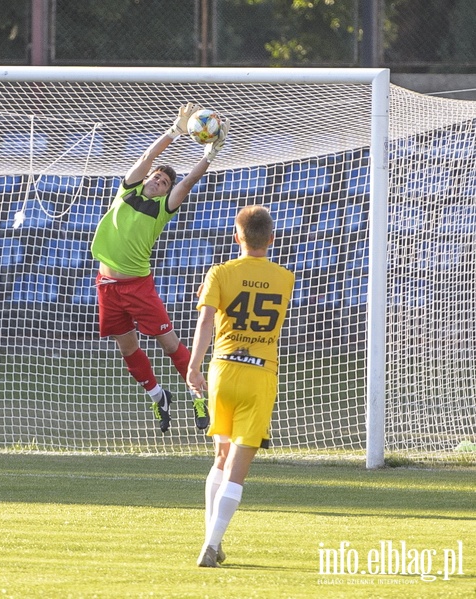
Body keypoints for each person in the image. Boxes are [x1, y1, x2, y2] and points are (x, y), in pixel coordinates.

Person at [90, 102, 228, 433]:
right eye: (157, 178)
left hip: (138, 286)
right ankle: (157, 395)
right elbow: (145, 159)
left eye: (164, 182)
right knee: (127, 348)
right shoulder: (127, 189)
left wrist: (210, 155)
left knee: (171, 346)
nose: (158, 182)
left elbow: (188, 183)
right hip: (107, 286)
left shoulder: (162, 207)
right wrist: (174, 131)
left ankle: (199, 397)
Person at [186, 205, 295, 567]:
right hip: (260, 374)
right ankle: (211, 544)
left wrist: (194, 366)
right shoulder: (285, 278)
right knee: (238, 469)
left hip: (223, 371)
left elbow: (205, 323)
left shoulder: (219, 272)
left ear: (237, 236)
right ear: (273, 238)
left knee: (220, 456)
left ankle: (210, 541)